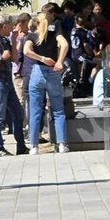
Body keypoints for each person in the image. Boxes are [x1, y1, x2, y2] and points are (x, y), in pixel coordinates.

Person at [23, 10, 70, 154]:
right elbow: (65, 44)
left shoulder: (32, 36)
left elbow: (26, 51)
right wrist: (60, 62)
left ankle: (34, 146)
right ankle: (62, 144)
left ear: (36, 23)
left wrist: (41, 59)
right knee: (58, 110)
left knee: (35, 110)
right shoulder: (54, 32)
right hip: (53, 72)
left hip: (38, 71)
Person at [0, 13, 27, 156]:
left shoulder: (5, 40)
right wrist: (2, 58)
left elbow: (15, 58)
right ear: (4, 26)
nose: (12, 28)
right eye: (10, 26)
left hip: (7, 81)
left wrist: (13, 41)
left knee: (18, 113)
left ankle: (21, 146)